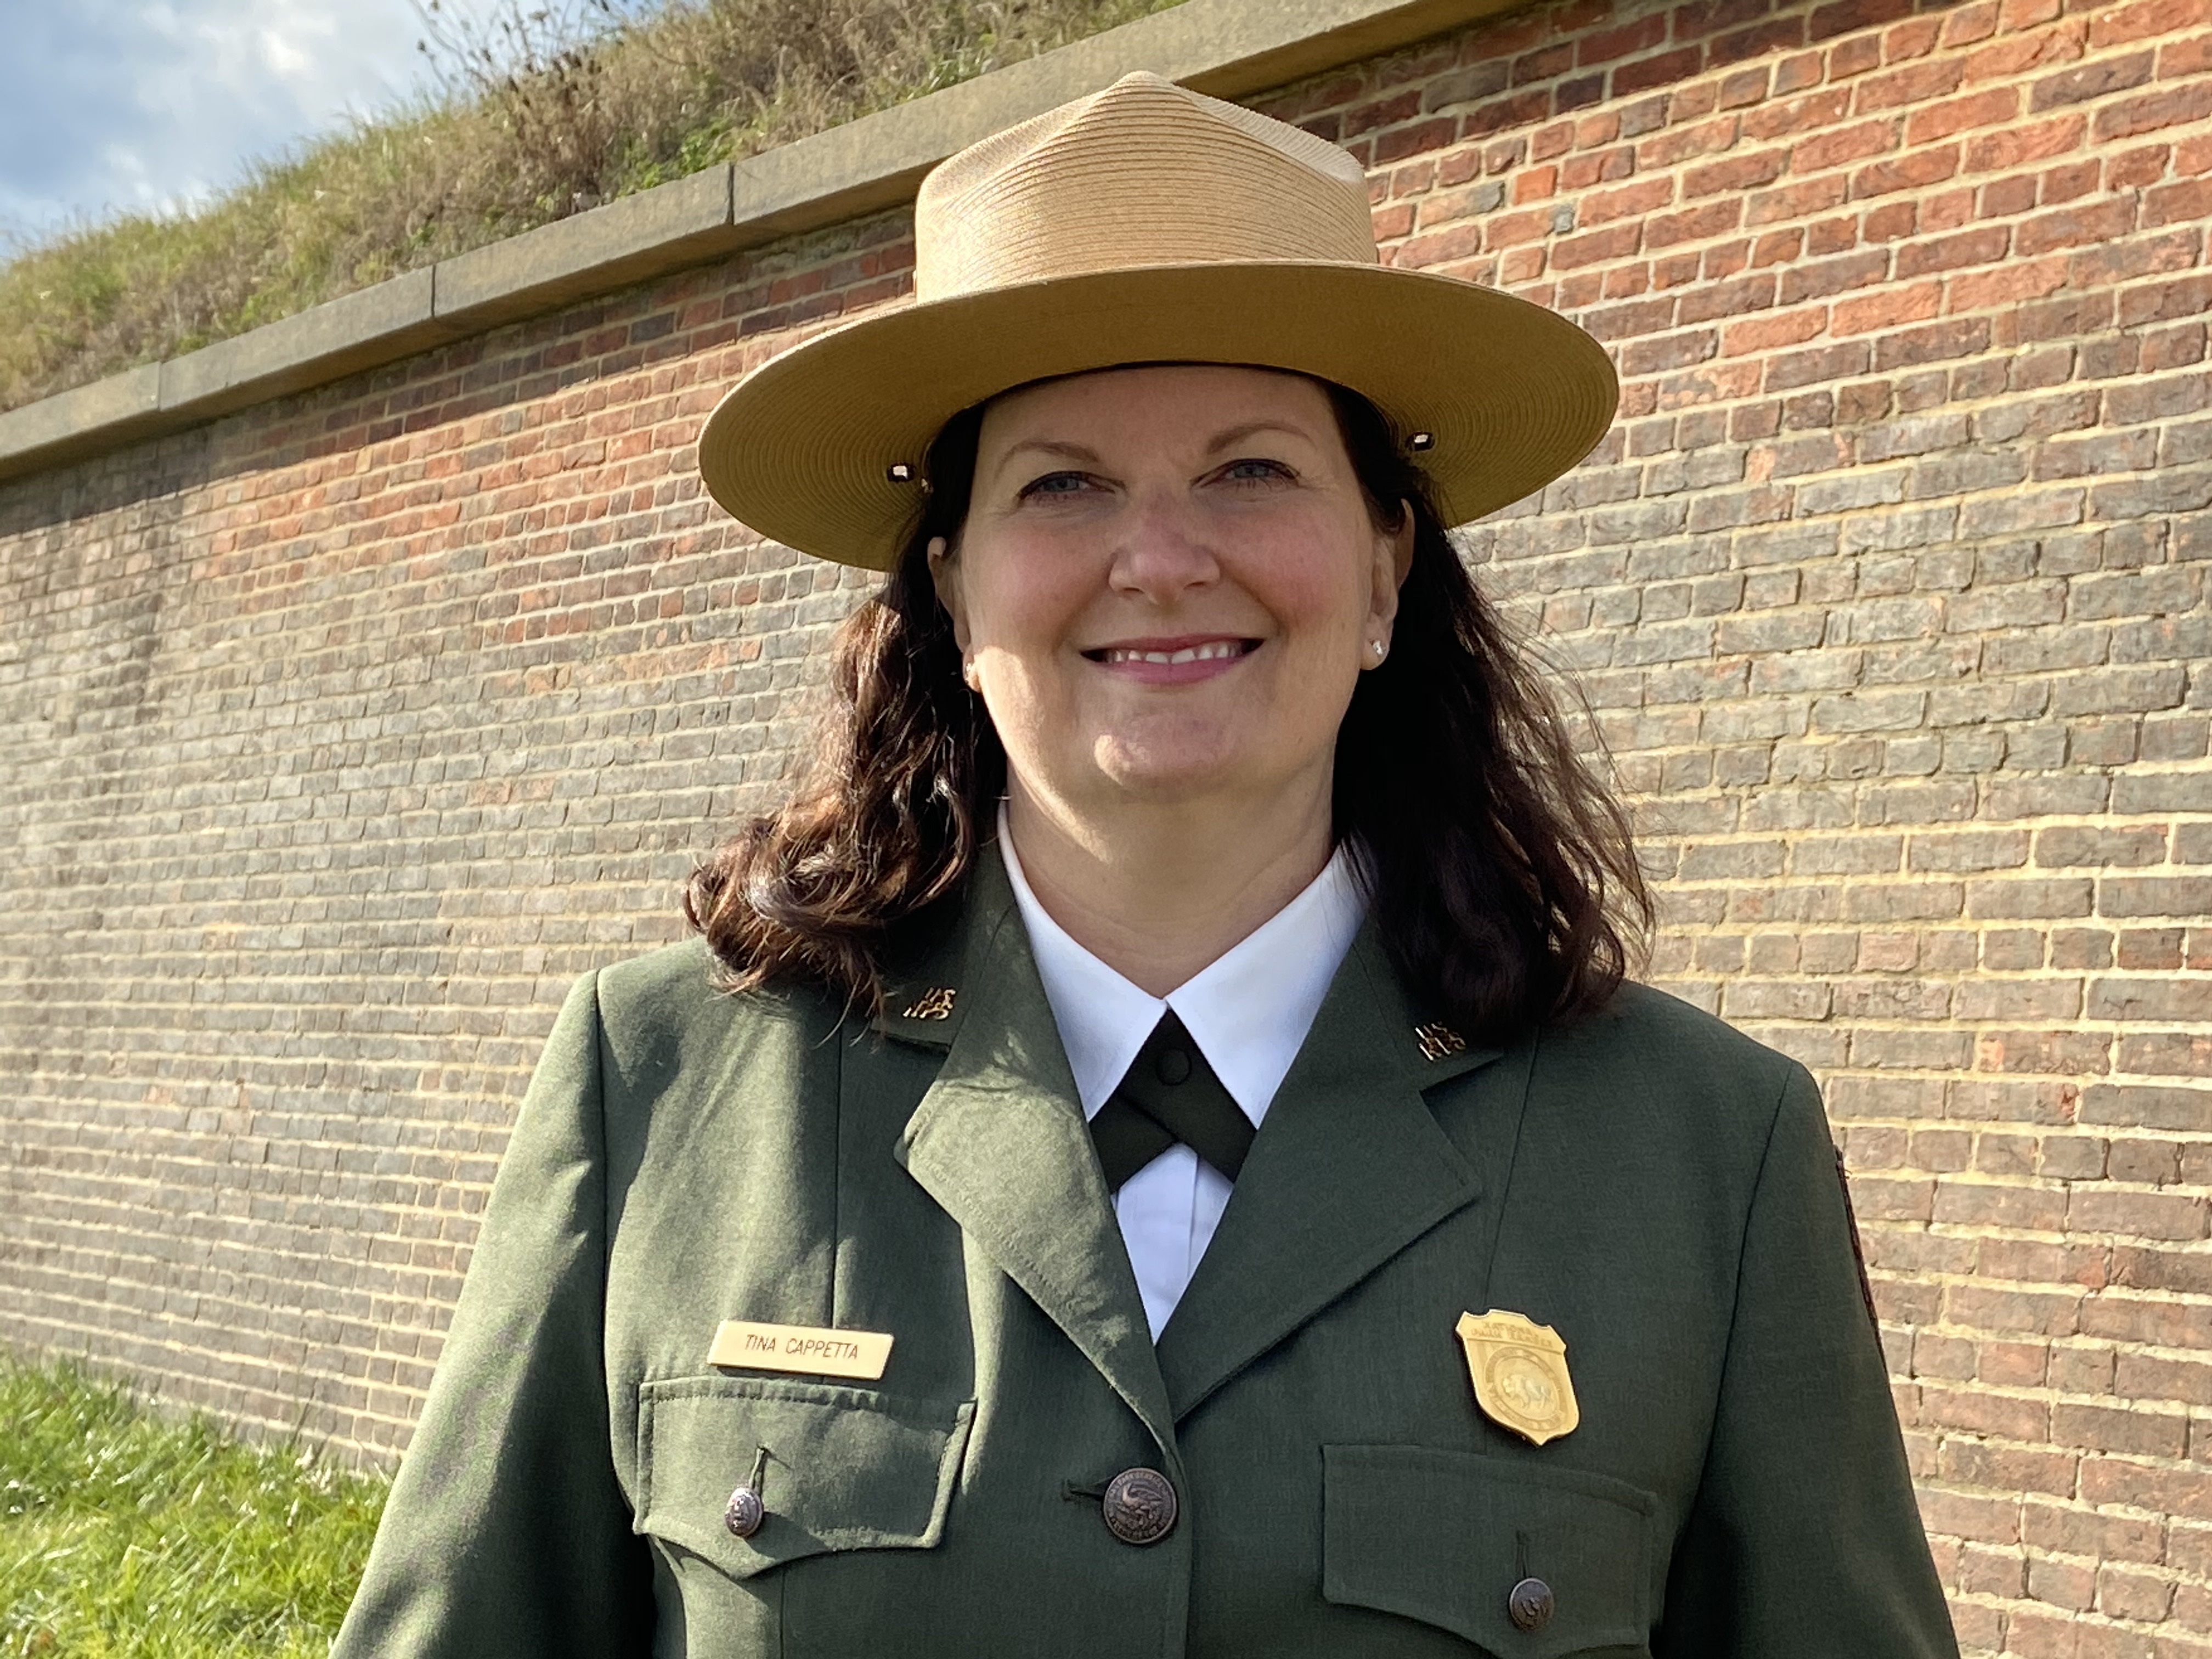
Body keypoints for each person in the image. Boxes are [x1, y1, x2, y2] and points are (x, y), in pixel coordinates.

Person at [334, 71, 1960, 1658]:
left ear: (1386, 564)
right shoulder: (663, 1085)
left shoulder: (1705, 1156)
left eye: (1253, 468)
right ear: (957, 593)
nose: (1161, 559)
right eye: (1064, 484)